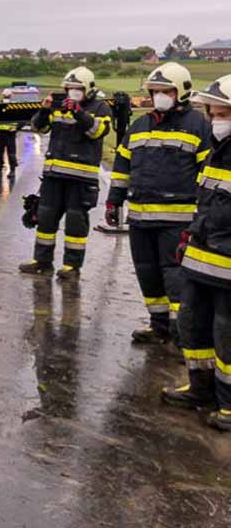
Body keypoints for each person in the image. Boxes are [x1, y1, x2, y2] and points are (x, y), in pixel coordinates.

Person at [107, 63, 209, 346]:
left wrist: (204, 217)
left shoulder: (199, 125)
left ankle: (182, 333)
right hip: (140, 219)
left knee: (176, 277)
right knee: (147, 273)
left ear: (182, 92)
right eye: (155, 91)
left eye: (166, 91)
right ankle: (159, 325)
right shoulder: (139, 126)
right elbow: (122, 166)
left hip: (178, 220)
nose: (159, 96)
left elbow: (208, 175)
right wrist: (114, 200)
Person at [162, 74, 231, 432]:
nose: (216, 121)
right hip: (202, 258)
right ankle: (201, 389)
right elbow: (207, 204)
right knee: (192, 322)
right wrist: (191, 237)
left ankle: (229, 404)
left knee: (226, 333)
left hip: (227, 264)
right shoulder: (218, 150)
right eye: (213, 114)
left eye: (223, 114)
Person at [19, 67, 111, 280]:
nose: (72, 92)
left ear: (88, 89)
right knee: (45, 219)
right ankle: (42, 261)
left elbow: (97, 131)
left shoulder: (101, 108)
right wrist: (45, 110)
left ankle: (72, 266)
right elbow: (39, 128)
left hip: (81, 179)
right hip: (54, 176)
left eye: (77, 88)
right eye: (69, 88)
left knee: (75, 223)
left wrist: (78, 112)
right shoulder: (59, 107)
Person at [0, 88, 19, 172]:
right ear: (11, 95)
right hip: (11, 132)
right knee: (11, 152)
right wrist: (16, 128)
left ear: (3, 95)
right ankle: (12, 171)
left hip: (0, 132)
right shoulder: (14, 106)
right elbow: (20, 118)